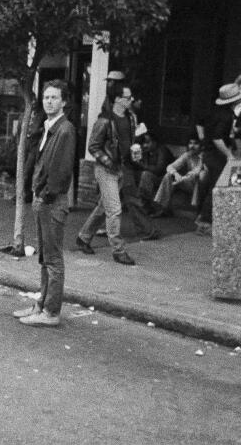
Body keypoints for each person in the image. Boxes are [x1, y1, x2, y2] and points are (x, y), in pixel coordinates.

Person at [13, 80, 76, 327]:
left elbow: (60, 170)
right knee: (44, 257)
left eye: (54, 97)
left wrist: (45, 194)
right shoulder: (49, 127)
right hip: (43, 199)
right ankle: (42, 303)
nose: (49, 101)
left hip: (51, 201)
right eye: (46, 97)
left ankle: (51, 311)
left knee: (52, 258)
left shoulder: (65, 129)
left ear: (64, 101)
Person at [74, 84, 150, 265]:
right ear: (116, 99)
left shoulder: (131, 118)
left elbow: (130, 141)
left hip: (123, 167)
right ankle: (118, 250)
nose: (131, 100)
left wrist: (136, 149)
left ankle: (83, 237)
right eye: (127, 97)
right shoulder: (104, 120)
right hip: (106, 169)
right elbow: (93, 146)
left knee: (103, 208)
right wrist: (109, 162)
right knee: (115, 210)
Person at [195, 82, 241, 236]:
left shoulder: (215, 111)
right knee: (218, 187)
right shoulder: (226, 116)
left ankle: (205, 219)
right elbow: (218, 138)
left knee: (215, 185)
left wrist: (204, 139)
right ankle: (204, 222)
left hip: (209, 153)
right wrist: (229, 154)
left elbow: (201, 125)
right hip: (217, 155)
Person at [152, 137, 207, 216]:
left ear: (201, 146)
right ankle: (165, 208)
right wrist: (176, 174)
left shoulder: (203, 156)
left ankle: (199, 211)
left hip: (198, 184)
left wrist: (182, 179)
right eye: (190, 143)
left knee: (200, 175)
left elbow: (196, 172)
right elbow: (170, 167)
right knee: (168, 175)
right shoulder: (187, 155)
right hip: (187, 183)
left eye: (196, 143)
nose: (192, 146)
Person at [133, 128, 172, 212]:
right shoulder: (146, 152)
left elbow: (159, 169)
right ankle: (141, 203)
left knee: (146, 175)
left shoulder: (162, 150)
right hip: (154, 178)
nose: (145, 145)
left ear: (155, 142)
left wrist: (143, 165)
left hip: (166, 179)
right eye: (143, 143)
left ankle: (145, 204)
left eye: (147, 143)